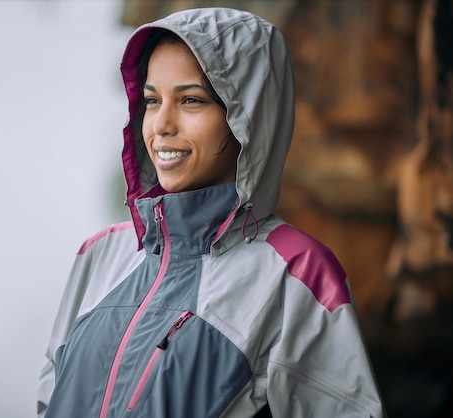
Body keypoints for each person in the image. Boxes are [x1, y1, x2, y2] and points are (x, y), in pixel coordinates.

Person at [36, 7, 386, 418]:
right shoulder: (99, 255)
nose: (161, 125)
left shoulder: (296, 271)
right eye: (152, 100)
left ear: (245, 117)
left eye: (190, 100)